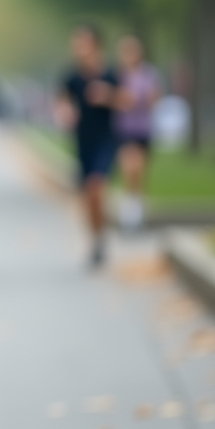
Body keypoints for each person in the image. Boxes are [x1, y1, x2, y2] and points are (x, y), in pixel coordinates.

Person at [56, 24, 120, 268]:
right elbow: (61, 98)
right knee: (87, 195)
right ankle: (96, 239)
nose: (78, 48)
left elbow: (127, 100)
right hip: (83, 142)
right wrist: (65, 111)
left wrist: (108, 96)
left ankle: (99, 236)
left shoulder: (110, 73)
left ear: (95, 45)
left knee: (96, 186)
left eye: (83, 43)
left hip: (106, 139)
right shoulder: (73, 76)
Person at [114, 35, 162, 230]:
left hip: (143, 128)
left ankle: (138, 208)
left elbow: (155, 98)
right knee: (128, 168)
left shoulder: (148, 75)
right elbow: (114, 100)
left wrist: (147, 99)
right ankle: (130, 211)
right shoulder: (118, 76)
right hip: (124, 129)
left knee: (139, 171)